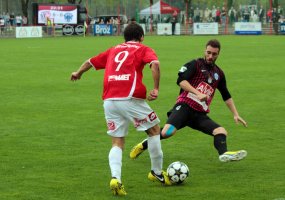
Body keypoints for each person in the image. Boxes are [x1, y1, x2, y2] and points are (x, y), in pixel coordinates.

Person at [70, 23, 171, 196]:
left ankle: (116, 178)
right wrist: (156, 88)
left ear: (124, 37)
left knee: (117, 141)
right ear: (141, 37)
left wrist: (78, 73)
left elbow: (90, 62)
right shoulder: (142, 48)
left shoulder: (113, 49)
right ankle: (156, 172)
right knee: (154, 130)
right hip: (130, 98)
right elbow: (155, 64)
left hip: (109, 100)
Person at [130, 39, 248, 163]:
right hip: (185, 106)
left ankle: (224, 154)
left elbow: (226, 95)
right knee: (167, 132)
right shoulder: (195, 64)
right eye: (208, 52)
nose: (210, 56)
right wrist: (198, 93)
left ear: (218, 54)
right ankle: (143, 145)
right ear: (205, 50)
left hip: (199, 114)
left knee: (221, 131)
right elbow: (181, 81)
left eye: (214, 54)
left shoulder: (219, 73)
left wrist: (235, 114)